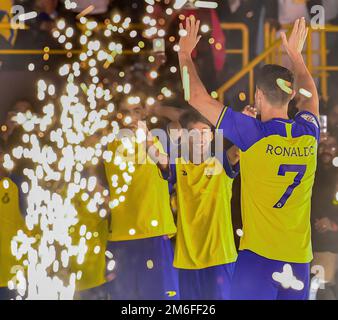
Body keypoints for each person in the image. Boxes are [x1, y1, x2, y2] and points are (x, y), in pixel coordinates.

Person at [177, 16, 319, 300]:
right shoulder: (308, 131)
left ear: (257, 95)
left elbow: (195, 97)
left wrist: (184, 54)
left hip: (259, 260)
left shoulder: (252, 133)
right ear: (290, 98)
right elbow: (311, 95)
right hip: (299, 261)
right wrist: (296, 56)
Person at [103, 96, 179, 300]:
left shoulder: (160, 139)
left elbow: (183, 121)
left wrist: (158, 109)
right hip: (120, 238)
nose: (131, 116)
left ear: (144, 113)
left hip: (154, 234)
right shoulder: (107, 143)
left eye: (136, 109)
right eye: (125, 111)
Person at [167, 110, 240, 300]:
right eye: (194, 133)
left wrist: (244, 120)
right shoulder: (177, 165)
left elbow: (239, 149)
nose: (200, 138)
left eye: (205, 132)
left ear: (212, 135)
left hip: (219, 257)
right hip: (187, 259)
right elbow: (171, 128)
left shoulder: (221, 162)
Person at [311, 133, 338, 300]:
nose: (327, 150)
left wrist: (332, 225)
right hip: (305, 243)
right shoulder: (311, 171)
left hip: (327, 245)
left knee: (321, 290)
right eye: (323, 145)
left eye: (332, 146)